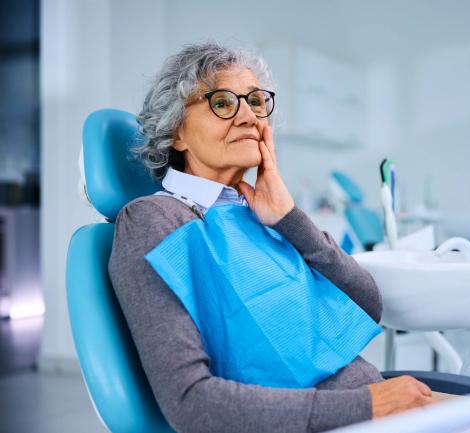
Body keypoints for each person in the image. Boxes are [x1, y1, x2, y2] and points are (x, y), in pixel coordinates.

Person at [108, 42, 440, 433]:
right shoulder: (154, 221)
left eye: (255, 101)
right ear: (177, 130)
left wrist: (289, 217)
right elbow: (192, 405)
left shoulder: (259, 213)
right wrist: (366, 405)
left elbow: (369, 304)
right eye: (223, 102)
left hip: (382, 409)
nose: (249, 115)